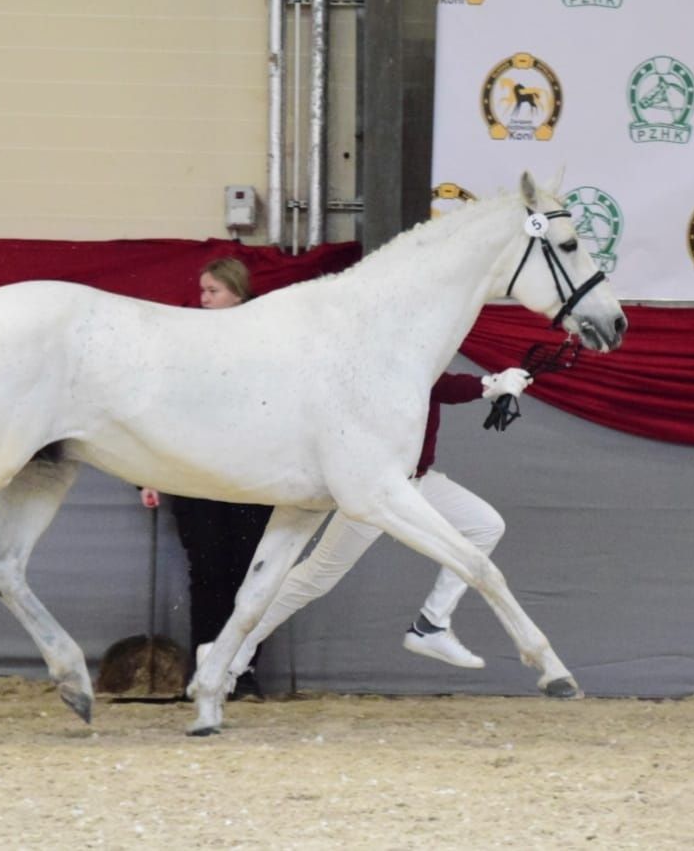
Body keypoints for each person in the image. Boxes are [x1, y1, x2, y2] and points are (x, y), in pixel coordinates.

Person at [209, 366, 533, 686]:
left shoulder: (416, 355)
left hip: (417, 484)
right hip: (378, 491)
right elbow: (439, 386)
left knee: (485, 525)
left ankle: (431, 625)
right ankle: (230, 651)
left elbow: (436, 382)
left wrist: (493, 384)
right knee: (317, 577)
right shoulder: (381, 364)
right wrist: (489, 384)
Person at [140, 257, 272, 699]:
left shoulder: (266, 339)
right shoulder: (185, 344)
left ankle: (244, 669)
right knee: (208, 574)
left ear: (238, 292)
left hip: (253, 476)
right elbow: (160, 410)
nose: (204, 299)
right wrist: (147, 473)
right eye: (203, 292)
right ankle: (206, 668)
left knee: (250, 575)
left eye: (213, 291)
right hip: (197, 475)